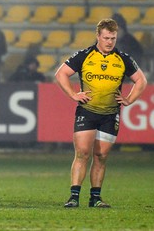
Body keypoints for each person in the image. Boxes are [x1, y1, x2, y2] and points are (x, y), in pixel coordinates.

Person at [55, 18, 147, 208]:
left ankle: (95, 198)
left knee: (101, 156)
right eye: (106, 38)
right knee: (82, 153)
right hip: (87, 111)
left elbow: (141, 81)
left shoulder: (123, 58)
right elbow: (61, 73)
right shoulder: (85, 55)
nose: (110, 42)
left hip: (110, 114)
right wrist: (73, 94)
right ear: (98, 36)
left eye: (113, 38)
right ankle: (74, 196)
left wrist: (129, 99)